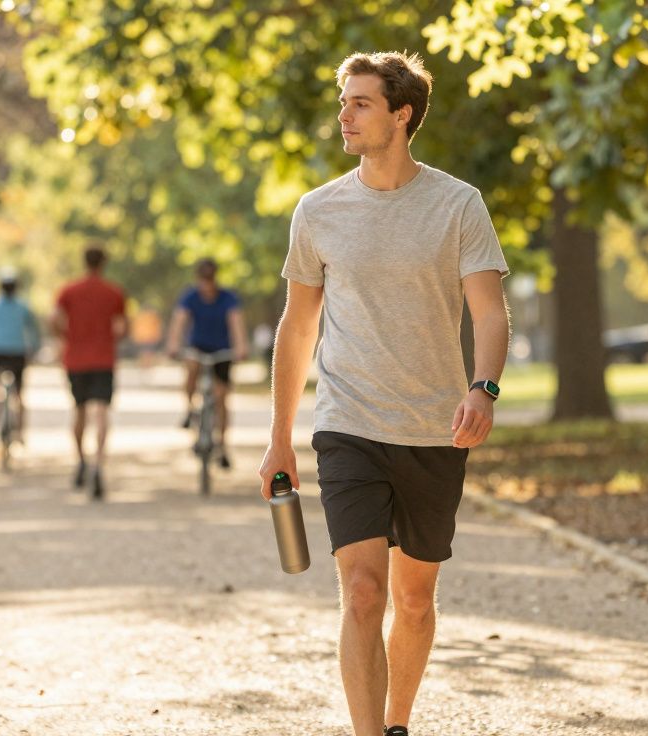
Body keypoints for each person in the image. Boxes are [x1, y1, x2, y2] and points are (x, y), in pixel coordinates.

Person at [258, 52, 509, 736]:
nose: (344, 114)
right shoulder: (318, 210)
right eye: (344, 102)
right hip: (348, 424)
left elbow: (488, 310)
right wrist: (279, 436)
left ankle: (398, 721)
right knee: (363, 593)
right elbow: (298, 323)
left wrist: (483, 389)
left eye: (360, 103)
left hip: (434, 428)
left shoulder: (458, 204)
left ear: (401, 115)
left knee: (415, 598)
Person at [53, 245, 127, 500]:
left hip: (75, 358)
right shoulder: (114, 292)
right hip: (104, 359)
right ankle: (98, 463)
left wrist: (66, 336)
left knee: (80, 409)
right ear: (103, 263)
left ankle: (81, 460)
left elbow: (55, 319)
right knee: (102, 411)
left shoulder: (68, 290)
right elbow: (122, 326)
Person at [164, 258, 249, 469]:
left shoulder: (228, 297)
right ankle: (190, 409)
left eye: (209, 279)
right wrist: (173, 344)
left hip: (222, 350)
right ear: (198, 278)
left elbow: (236, 322)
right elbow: (179, 321)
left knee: (221, 397)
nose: (206, 283)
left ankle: (222, 444)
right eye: (203, 279)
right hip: (198, 347)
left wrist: (241, 347)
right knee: (191, 366)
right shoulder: (191, 297)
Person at [0, 270, 42, 437]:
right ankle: (20, 432)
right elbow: (34, 330)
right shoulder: (23, 307)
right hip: (18, 351)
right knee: (20, 394)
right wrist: (35, 347)